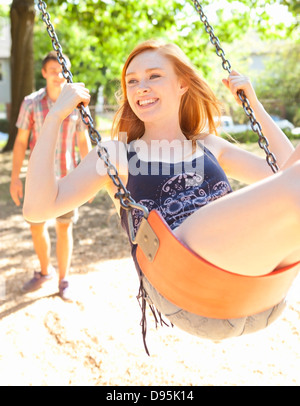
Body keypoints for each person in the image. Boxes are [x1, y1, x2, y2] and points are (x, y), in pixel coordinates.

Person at [22, 39, 300, 340]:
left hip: (259, 287)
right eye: (132, 81)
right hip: (185, 280)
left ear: (182, 83)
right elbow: (37, 208)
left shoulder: (208, 146)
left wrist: (254, 105)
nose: (141, 86)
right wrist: (54, 117)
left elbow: (282, 170)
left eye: (154, 76)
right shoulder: (117, 155)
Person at [10, 51, 92, 301]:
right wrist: (15, 177)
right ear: (44, 73)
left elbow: (83, 140)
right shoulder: (31, 103)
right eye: (53, 70)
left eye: (62, 69)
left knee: (64, 228)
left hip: (67, 178)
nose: (58, 74)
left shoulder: (77, 104)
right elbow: (21, 142)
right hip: (38, 179)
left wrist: (89, 180)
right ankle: (45, 271)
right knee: (36, 227)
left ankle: (63, 279)